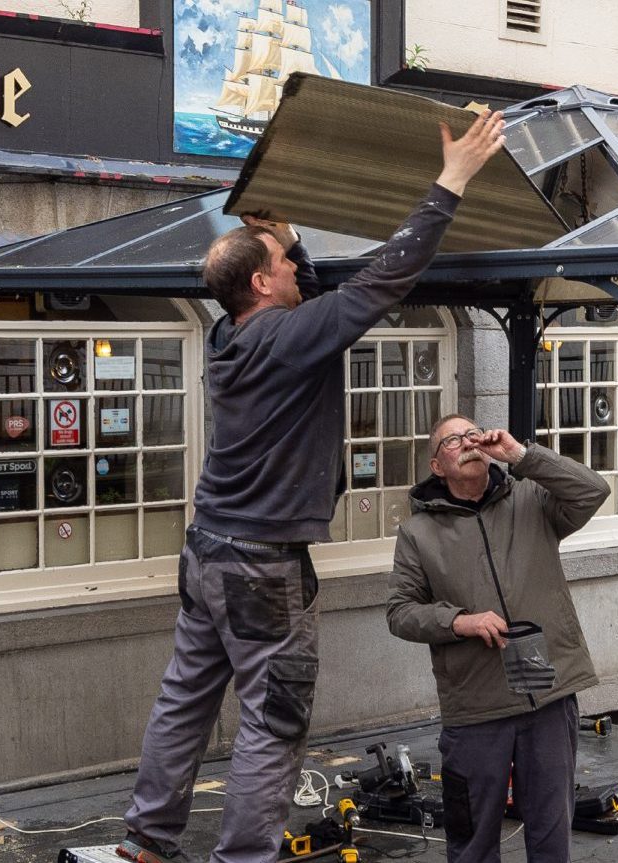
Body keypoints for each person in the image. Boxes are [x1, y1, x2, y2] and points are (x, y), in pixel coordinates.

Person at [117, 112, 508, 863]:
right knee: (274, 720)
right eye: (286, 264)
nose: (300, 269)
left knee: (185, 698)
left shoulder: (230, 335)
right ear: (260, 283)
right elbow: (381, 280)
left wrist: (286, 235)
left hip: (208, 553)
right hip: (263, 567)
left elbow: (312, 293)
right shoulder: (287, 335)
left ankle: (147, 839)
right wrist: (450, 181)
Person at [386, 415, 610, 863]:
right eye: (453, 440)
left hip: (546, 695)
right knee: (472, 843)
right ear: (436, 465)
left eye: (473, 434)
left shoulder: (531, 499)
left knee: (551, 839)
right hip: (475, 707)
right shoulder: (418, 534)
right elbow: (400, 613)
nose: (468, 443)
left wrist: (523, 457)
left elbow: (593, 490)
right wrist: (458, 622)